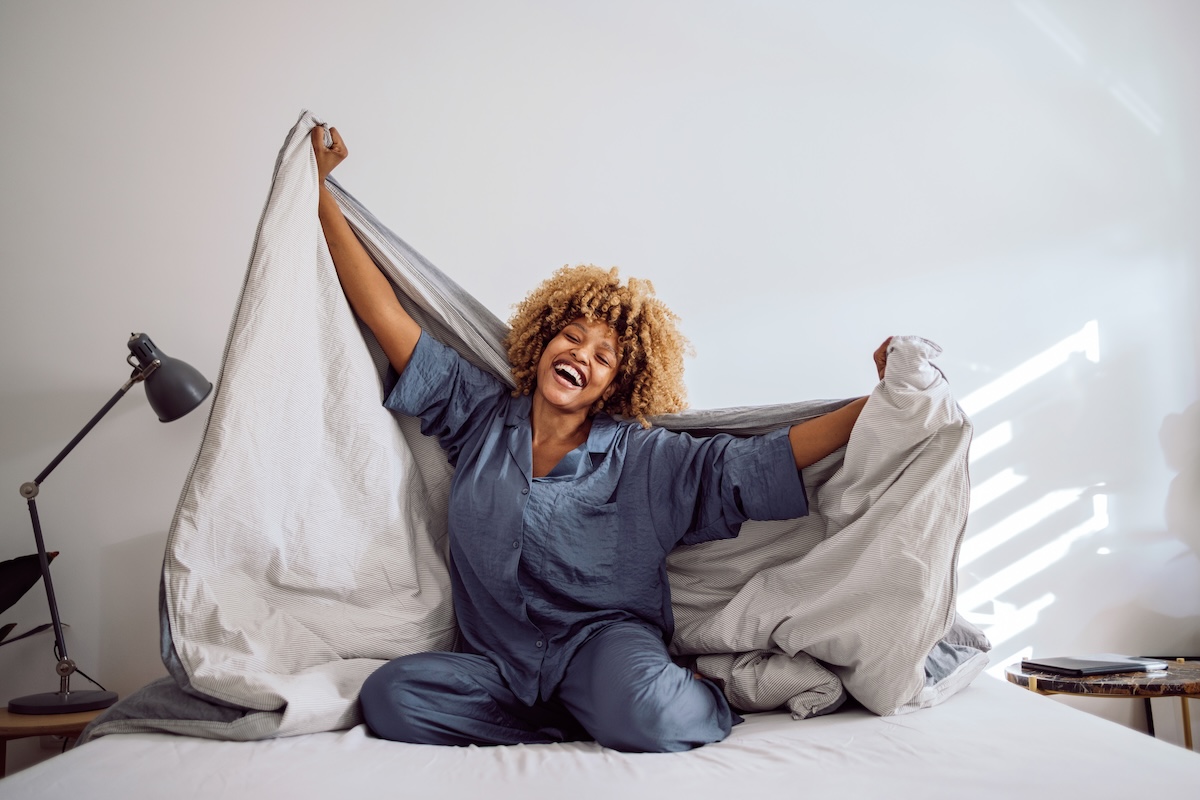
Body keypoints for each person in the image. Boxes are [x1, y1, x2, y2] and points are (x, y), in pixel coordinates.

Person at [312, 126, 890, 753]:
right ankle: (562, 721)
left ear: (620, 382)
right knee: (392, 697)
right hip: (502, 663)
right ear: (542, 341)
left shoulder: (645, 456)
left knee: (654, 718)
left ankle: (693, 689)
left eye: (604, 356)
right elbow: (386, 316)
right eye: (571, 337)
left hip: (604, 647)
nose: (581, 356)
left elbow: (756, 464)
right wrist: (317, 190)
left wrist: (879, 403)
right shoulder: (477, 416)